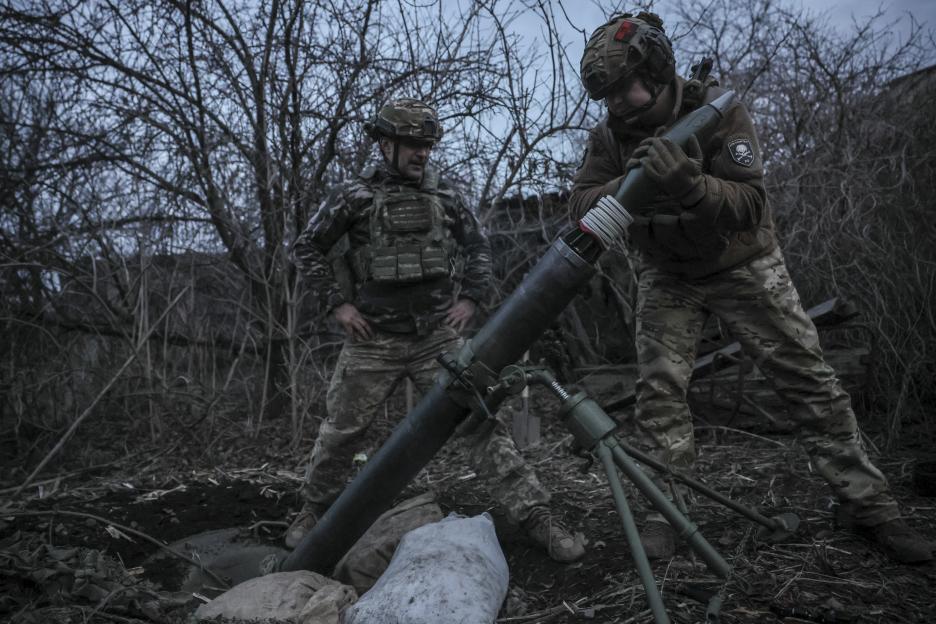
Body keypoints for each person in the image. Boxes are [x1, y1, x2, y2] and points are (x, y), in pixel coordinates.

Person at [570, 12, 933, 563]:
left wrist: (690, 185)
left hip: (742, 262)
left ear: (659, 69)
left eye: (626, 88)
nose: (618, 103)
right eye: (609, 95)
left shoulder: (716, 112)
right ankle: (666, 515)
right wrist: (628, 185)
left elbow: (752, 205)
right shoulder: (609, 137)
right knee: (659, 395)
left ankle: (871, 508)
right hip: (668, 274)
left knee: (809, 381)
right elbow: (579, 206)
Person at [289, 98, 585, 562]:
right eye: (412, 146)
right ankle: (312, 513)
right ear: (385, 144)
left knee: (480, 426)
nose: (422, 154)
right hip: (374, 340)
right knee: (342, 433)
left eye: (427, 146)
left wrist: (471, 298)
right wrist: (338, 305)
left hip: (436, 341)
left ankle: (537, 517)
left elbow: (477, 247)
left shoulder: (444, 195)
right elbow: (306, 247)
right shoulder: (355, 196)